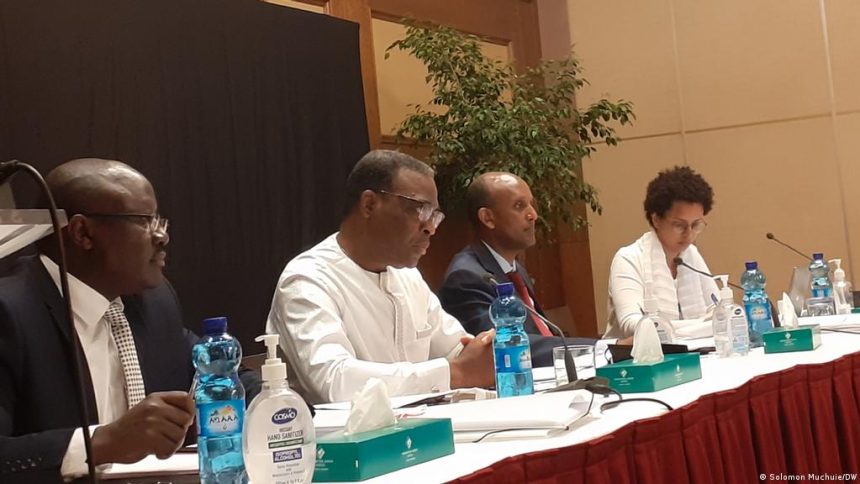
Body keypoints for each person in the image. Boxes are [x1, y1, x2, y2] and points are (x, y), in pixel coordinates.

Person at [0, 158, 256, 482]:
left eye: (159, 220)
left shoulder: (154, 301)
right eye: (144, 221)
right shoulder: (11, 312)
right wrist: (101, 442)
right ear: (82, 233)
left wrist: (273, 398)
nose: (161, 236)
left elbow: (218, 372)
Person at [266, 150, 495, 405]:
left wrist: (486, 350)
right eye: (419, 209)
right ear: (369, 204)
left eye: (435, 215)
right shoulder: (308, 279)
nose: (430, 227)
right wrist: (455, 373)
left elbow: (456, 349)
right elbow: (334, 382)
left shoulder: (408, 276)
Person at [438, 172, 595, 367]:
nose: (533, 215)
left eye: (531, 204)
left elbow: (541, 336)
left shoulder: (513, 269)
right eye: (519, 206)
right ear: (488, 218)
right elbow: (506, 347)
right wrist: (602, 347)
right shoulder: (466, 278)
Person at [604, 165, 719, 339]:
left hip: (695, 350)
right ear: (656, 219)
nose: (689, 234)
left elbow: (719, 313)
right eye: (679, 225)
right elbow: (631, 324)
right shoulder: (628, 258)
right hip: (639, 354)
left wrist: (674, 329)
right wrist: (699, 327)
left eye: (696, 225)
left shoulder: (691, 255)